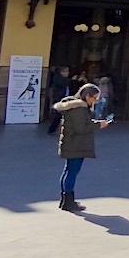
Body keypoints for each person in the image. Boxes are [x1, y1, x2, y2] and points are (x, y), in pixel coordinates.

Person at [53, 82, 111, 212]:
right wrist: (98, 125)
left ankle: (66, 200)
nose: (95, 100)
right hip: (76, 144)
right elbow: (81, 128)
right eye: (94, 97)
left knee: (68, 171)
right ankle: (68, 201)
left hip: (72, 143)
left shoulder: (75, 106)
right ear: (87, 95)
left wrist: (95, 123)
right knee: (72, 172)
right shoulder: (79, 108)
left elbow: (81, 124)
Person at [45, 66, 73, 135]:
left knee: (64, 115)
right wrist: (72, 80)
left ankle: (63, 130)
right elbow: (64, 84)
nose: (68, 73)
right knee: (58, 116)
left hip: (64, 98)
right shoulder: (58, 79)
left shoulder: (64, 79)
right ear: (61, 72)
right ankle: (52, 130)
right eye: (66, 71)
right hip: (59, 99)